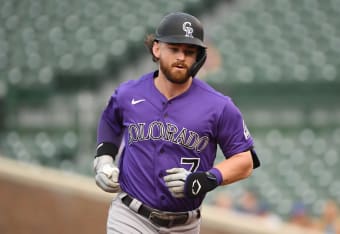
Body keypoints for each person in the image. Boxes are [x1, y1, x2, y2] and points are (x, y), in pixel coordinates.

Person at [93, 12, 260, 234]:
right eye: (174, 49)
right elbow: (110, 121)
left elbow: (244, 160)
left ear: (198, 57)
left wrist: (206, 179)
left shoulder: (218, 106)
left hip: (185, 225)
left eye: (189, 52)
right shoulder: (128, 93)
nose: (181, 57)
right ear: (156, 49)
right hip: (130, 216)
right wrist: (103, 159)